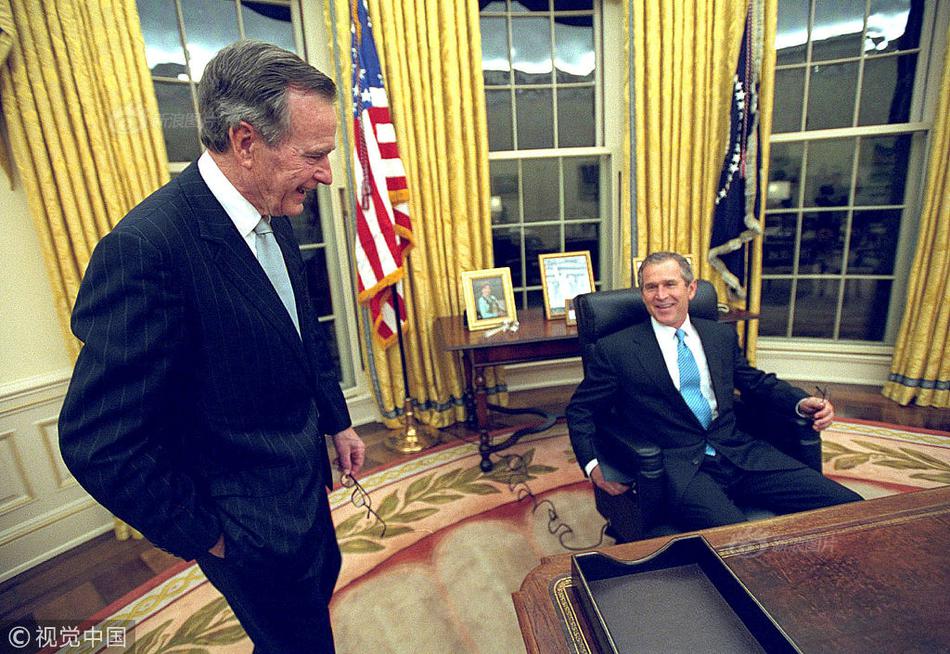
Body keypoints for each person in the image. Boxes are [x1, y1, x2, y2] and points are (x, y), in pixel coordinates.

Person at [58, 41, 365, 653]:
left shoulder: (273, 208)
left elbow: (299, 331)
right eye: (315, 155)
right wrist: (208, 534)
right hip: (244, 523)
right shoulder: (147, 250)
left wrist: (337, 422)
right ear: (246, 141)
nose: (328, 175)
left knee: (311, 605)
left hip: (303, 491)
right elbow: (96, 441)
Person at [566, 251, 860, 541]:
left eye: (670, 284)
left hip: (738, 452)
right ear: (642, 294)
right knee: (742, 542)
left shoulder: (719, 336)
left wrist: (800, 402)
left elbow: (754, 382)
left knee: (849, 506)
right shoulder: (617, 349)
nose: (661, 295)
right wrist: (594, 465)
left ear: (690, 289)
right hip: (680, 468)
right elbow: (581, 410)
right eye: (650, 287)